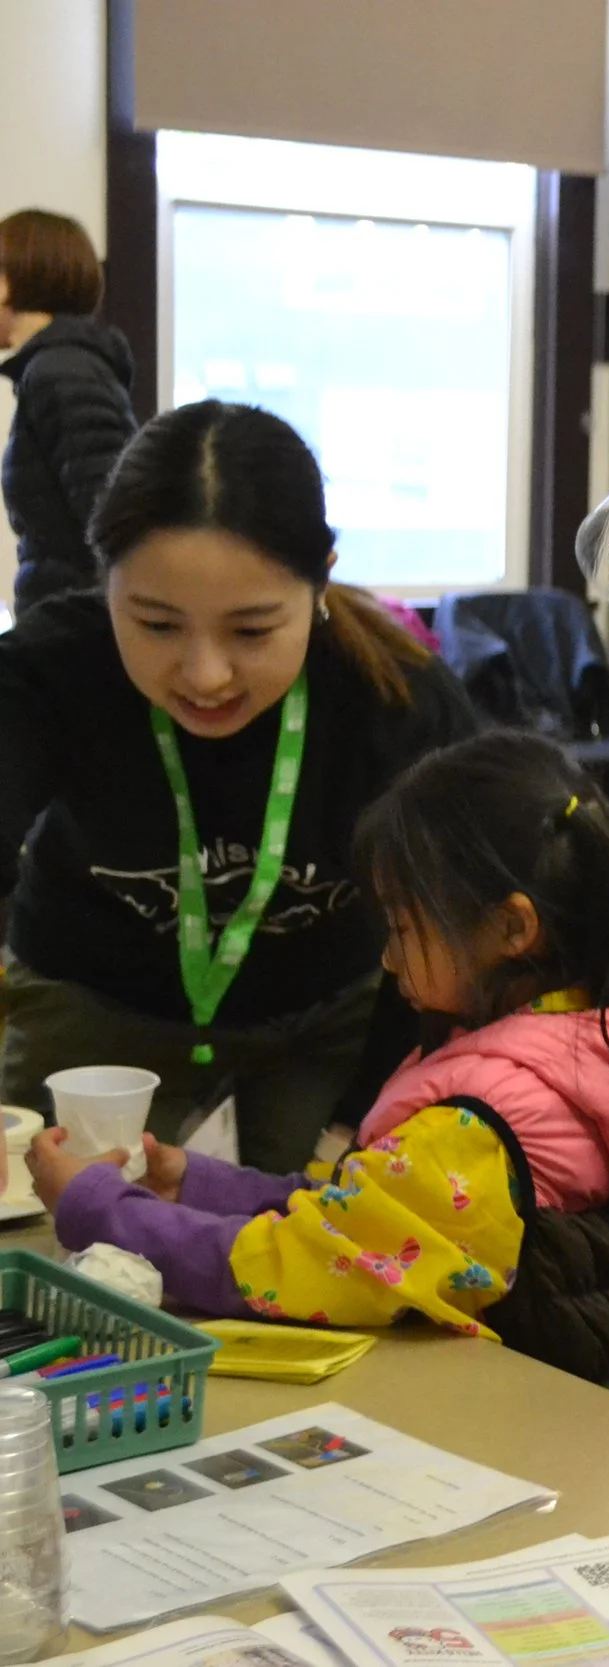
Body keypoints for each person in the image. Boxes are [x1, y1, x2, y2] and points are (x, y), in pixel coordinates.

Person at [29, 731, 609, 1408]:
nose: (389, 958)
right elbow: (365, 1212)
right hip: (562, 1417)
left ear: (511, 928)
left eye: (402, 927)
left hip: (521, 1438)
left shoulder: (477, 1126)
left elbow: (286, 1268)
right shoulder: (566, 1053)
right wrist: (196, 1184)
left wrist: (97, 1210)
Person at [0, 401, 476, 1171]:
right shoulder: (51, 669)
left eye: (252, 630)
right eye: (156, 625)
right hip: (94, 1004)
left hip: (320, 1021)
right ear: (105, 579)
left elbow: (448, 932)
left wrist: (356, 1120)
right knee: (51, 1218)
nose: (206, 675)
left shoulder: (397, 703)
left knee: (309, 1219)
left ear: (320, 581)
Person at [0, 210, 138, 615]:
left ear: (6, 283)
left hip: (76, 626)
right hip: (67, 619)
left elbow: (115, 519)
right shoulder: (56, 368)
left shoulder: (60, 370)